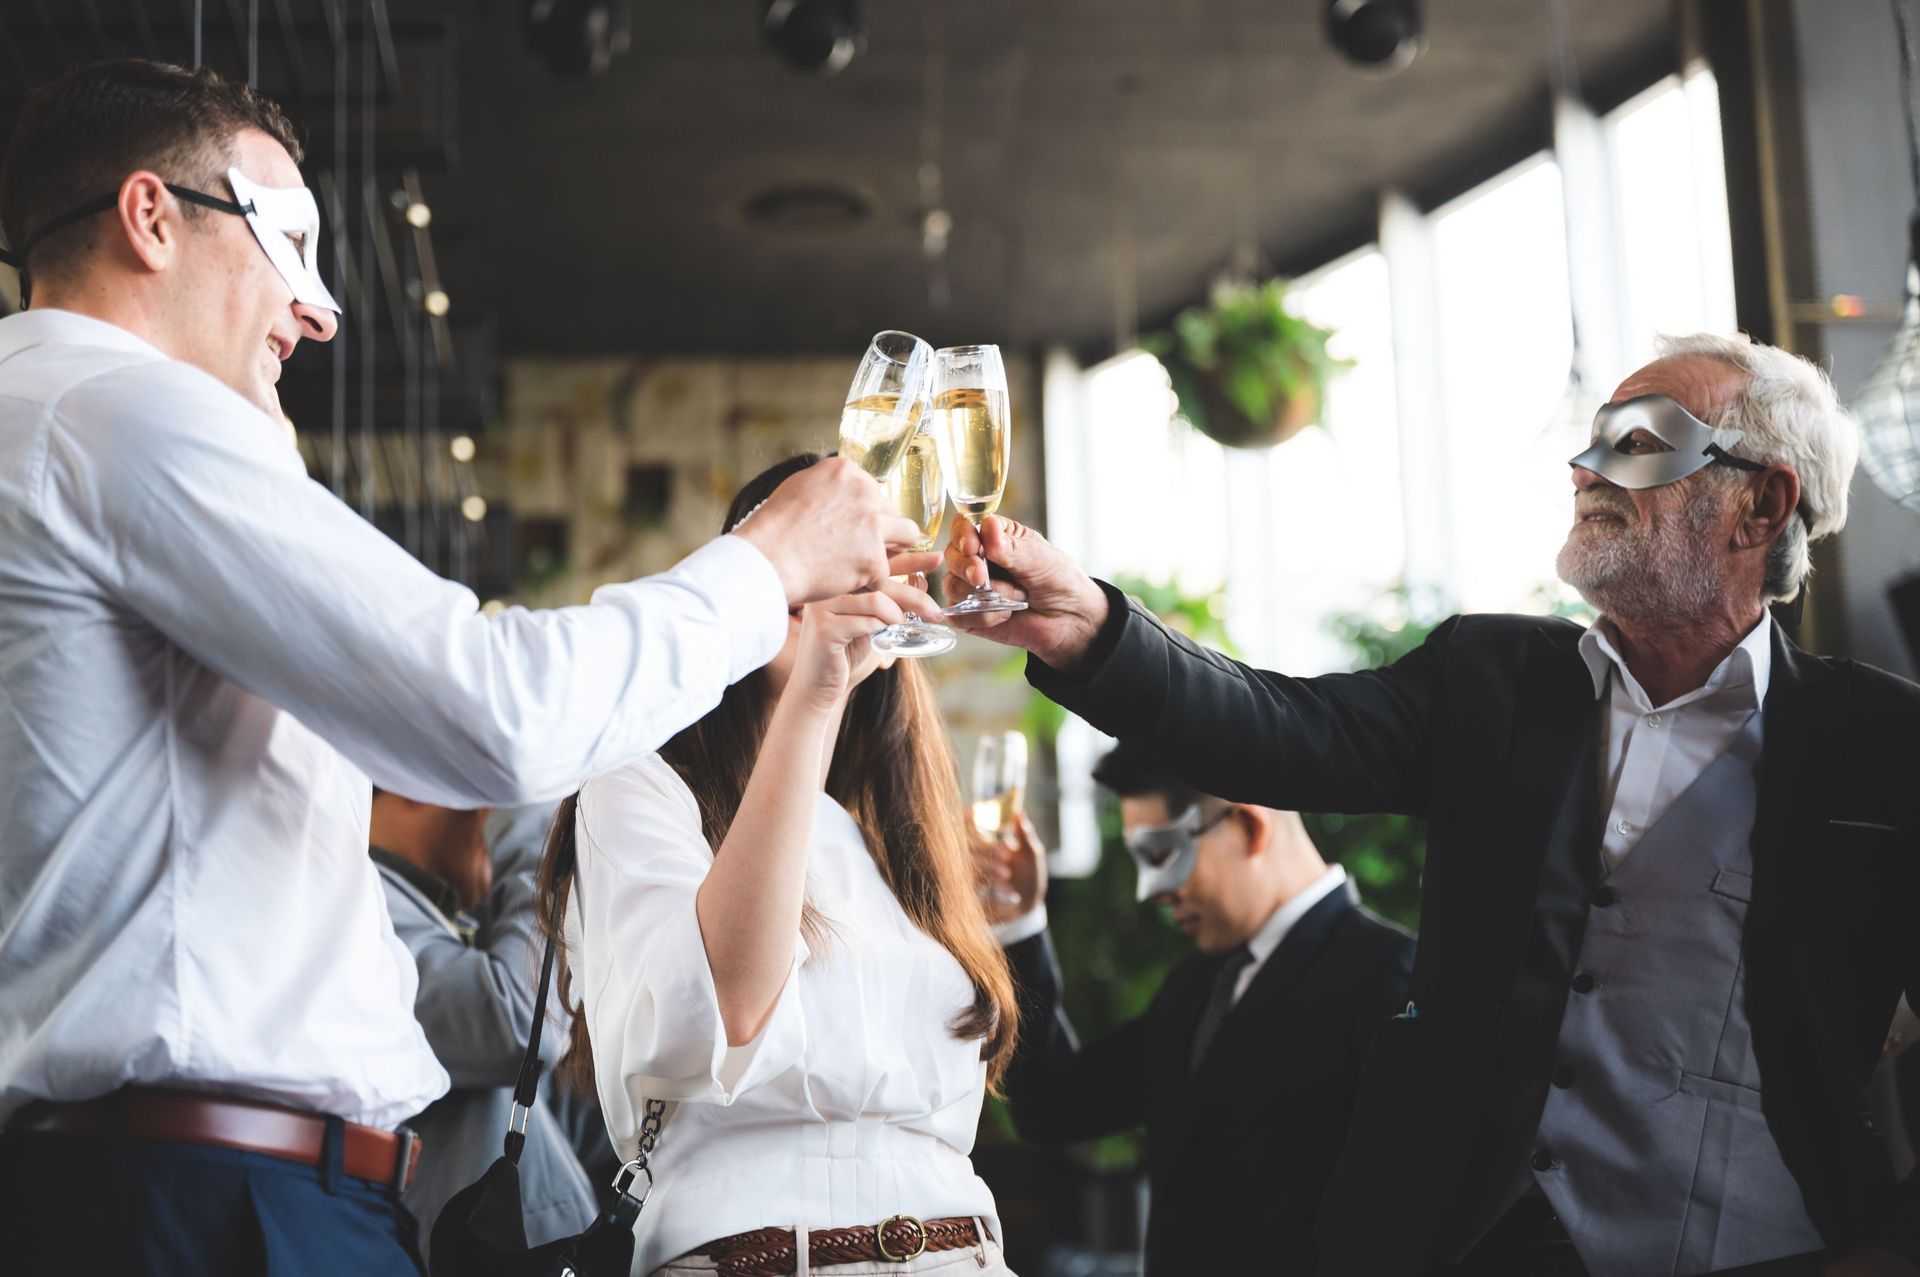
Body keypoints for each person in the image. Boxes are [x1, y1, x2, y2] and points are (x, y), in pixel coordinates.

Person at [0, 59, 935, 1276]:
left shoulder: (55, 427)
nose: (319, 312)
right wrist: (766, 562)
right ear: (151, 217)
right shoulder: (116, 413)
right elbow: (498, 712)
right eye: (289, 245)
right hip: (212, 1203)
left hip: (186, 1185)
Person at [943, 332, 1920, 1277]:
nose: (1586, 469)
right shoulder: (1489, 678)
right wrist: (1092, 628)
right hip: (1472, 1242)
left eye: (1638, 440)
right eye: (1591, 440)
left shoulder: (1885, 744)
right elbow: (1280, 729)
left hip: (1769, 1246)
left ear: (1760, 504)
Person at [540, 454, 1022, 1277]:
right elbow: (726, 1009)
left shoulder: (894, 832)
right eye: (804, 541)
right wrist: (818, 693)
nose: (830, 570)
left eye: (854, 548)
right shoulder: (638, 784)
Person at [976, 740, 1413, 1274]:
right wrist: (1020, 924)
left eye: (1161, 856)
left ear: (1249, 826)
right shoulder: (1198, 985)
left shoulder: (1392, 976)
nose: (1151, 891)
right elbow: (1053, 1105)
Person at [368, 793, 604, 1263]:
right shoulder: (366, 917)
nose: (493, 817)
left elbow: (568, 1100)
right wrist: (536, 817)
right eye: (487, 792)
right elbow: (518, 1019)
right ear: (415, 788)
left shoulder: (446, 914)